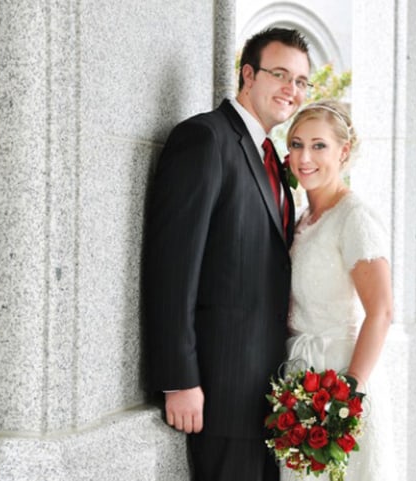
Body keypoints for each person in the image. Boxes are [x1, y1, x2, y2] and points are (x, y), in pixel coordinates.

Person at [142, 28, 310, 481]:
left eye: (300, 81)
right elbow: (172, 268)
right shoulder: (204, 139)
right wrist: (179, 379)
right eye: (280, 74)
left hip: (268, 398)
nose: (291, 90)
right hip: (218, 392)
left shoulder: (274, 160)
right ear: (248, 74)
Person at [282, 100, 397, 480]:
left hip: (340, 379)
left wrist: (348, 396)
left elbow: (381, 312)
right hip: (299, 377)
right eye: (296, 144)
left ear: (343, 151)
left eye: (319, 145)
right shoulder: (302, 218)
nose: (304, 156)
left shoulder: (355, 218)